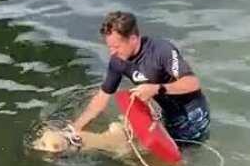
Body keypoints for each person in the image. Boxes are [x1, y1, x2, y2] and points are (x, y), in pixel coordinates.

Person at [71, 11, 210, 143]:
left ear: (133, 39)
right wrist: (75, 128)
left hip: (192, 113)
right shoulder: (117, 61)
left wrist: (156, 89)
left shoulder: (162, 50)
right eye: (109, 47)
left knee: (178, 160)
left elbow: (192, 83)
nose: (112, 52)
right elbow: (101, 98)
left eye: (116, 46)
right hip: (168, 113)